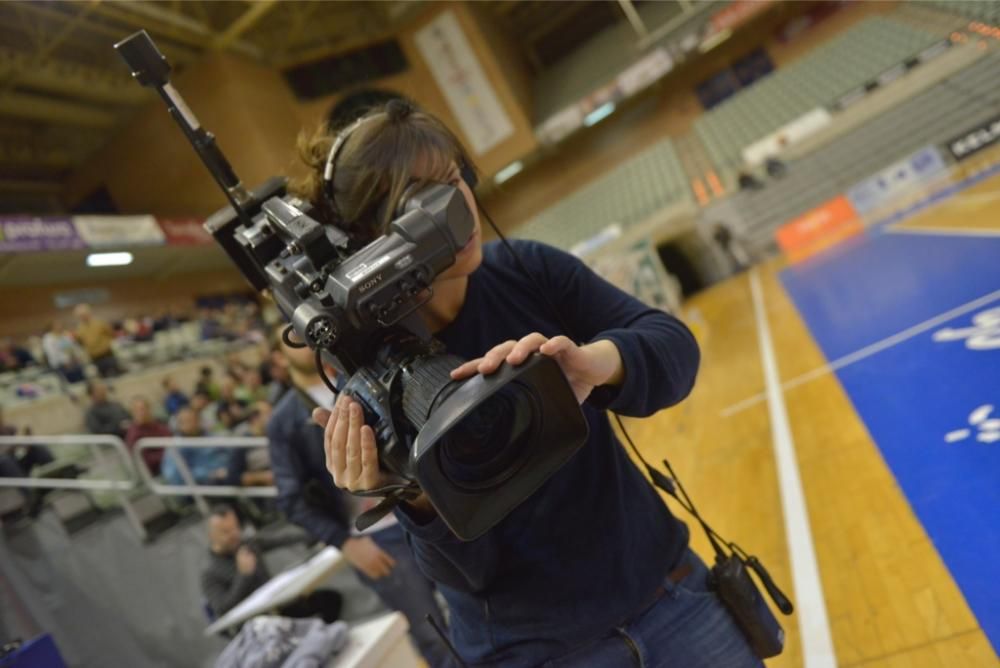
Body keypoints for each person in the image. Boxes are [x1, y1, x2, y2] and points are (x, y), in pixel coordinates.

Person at [295, 100, 760, 667]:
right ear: (365, 238)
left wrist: (598, 363)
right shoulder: (369, 370)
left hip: (673, 600)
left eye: (454, 180)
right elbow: (468, 570)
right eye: (419, 201)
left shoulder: (526, 269)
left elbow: (674, 348)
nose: (457, 207)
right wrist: (414, 495)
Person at [268, 329, 449, 667]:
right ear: (278, 357)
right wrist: (346, 544)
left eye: (306, 333)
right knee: (431, 630)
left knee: (474, 606)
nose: (304, 342)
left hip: (426, 506)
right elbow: (291, 499)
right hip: (376, 537)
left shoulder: (362, 374)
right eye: (291, 337)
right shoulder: (284, 421)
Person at [202, 504, 342, 622]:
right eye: (226, 532)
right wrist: (243, 576)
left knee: (329, 600)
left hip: (278, 604)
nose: (234, 534)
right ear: (211, 535)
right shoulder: (210, 574)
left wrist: (320, 534)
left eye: (236, 527)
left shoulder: (247, 544)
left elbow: (282, 539)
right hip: (257, 622)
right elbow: (223, 609)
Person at [161, 406, 245, 486]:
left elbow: (229, 450)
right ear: (179, 424)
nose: (190, 423)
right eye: (185, 421)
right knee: (239, 478)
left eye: (193, 419)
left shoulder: (209, 435)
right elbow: (175, 477)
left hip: (230, 469)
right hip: (207, 482)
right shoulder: (176, 447)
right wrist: (210, 474)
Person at [124, 396, 171, 476]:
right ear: (132, 413)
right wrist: (167, 455)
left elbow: (171, 440)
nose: (141, 413)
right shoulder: (133, 434)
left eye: (143, 409)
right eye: (137, 410)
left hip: (172, 461)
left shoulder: (159, 426)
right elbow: (144, 461)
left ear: (149, 409)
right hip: (158, 472)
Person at [74, 304, 121, 377]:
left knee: (116, 374)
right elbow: (80, 343)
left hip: (107, 353)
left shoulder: (100, 323)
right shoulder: (79, 329)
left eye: (84, 314)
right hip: (94, 357)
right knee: (103, 378)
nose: (83, 317)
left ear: (89, 313)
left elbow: (111, 334)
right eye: (80, 316)